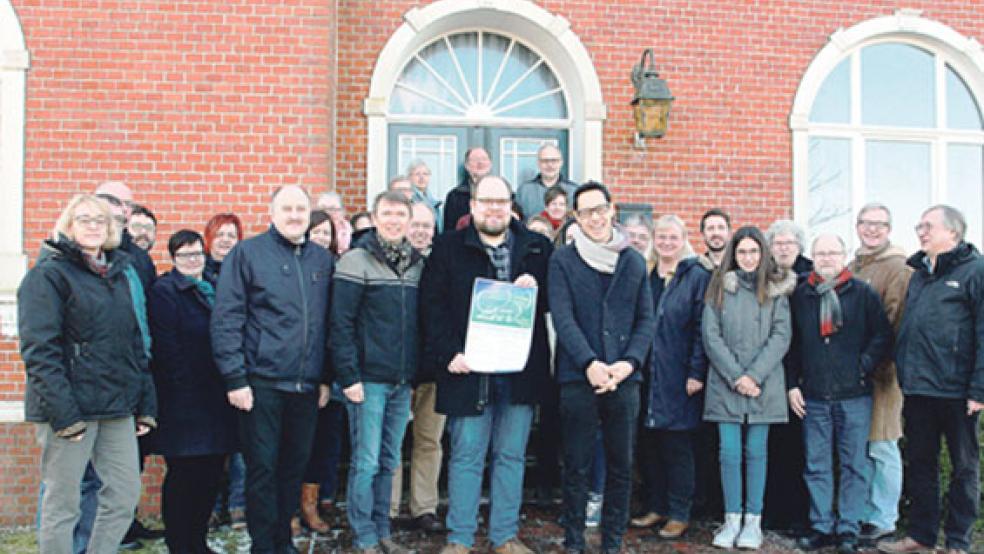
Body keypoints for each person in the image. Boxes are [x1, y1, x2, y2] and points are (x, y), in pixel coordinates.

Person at [421, 175, 552, 554]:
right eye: (486, 201)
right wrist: (449, 355)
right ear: (473, 205)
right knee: (466, 456)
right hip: (468, 369)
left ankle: (505, 536)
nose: (494, 208)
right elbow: (432, 309)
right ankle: (460, 538)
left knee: (511, 456)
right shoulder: (447, 249)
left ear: (511, 205)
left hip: (519, 373)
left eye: (501, 201)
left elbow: (552, 307)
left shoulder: (537, 248)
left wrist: (535, 291)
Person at [19, 194, 157, 554]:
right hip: (70, 410)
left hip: (116, 407)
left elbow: (132, 343)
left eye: (101, 220)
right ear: (68, 224)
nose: (94, 226)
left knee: (124, 496)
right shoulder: (47, 275)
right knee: (63, 504)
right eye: (84, 219)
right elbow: (40, 351)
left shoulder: (118, 274)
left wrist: (145, 402)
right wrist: (64, 415)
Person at [211, 185, 335, 553]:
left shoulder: (321, 260)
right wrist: (235, 377)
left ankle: (284, 541)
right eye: (287, 208)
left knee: (292, 469)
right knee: (262, 469)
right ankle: (264, 546)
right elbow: (227, 318)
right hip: (260, 382)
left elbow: (328, 323)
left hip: (306, 385)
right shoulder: (247, 254)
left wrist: (326, 376)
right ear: (271, 211)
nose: (295, 215)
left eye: (301, 208)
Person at [548, 181, 655, 554]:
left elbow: (646, 320)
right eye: (586, 212)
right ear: (576, 217)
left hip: (624, 379)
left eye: (600, 209)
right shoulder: (563, 259)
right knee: (576, 464)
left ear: (612, 210)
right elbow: (563, 317)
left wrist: (627, 365)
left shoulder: (634, 261)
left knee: (622, 465)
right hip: (579, 377)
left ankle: (612, 542)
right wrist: (589, 362)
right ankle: (574, 541)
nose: (595, 218)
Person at [878, 205, 984, 554]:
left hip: (958, 391)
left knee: (963, 469)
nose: (920, 232)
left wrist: (978, 389)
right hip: (920, 387)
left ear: (952, 232)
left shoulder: (975, 271)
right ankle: (921, 536)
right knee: (921, 464)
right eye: (919, 225)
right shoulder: (920, 272)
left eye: (928, 226)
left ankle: (958, 541)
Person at [786, 233, 893, 554]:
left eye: (833, 253)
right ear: (813, 257)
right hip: (814, 395)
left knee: (854, 465)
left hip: (854, 395)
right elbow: (790, 345)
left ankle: (848, 528)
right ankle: (821, 526)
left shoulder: (862, 293)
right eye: (821, 253)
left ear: (843, 256)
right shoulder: (801, 295)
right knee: (816, 464)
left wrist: (862, 365)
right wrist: (792, 384)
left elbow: (882, 335)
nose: (827, 259)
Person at [331, 191, 424, 554]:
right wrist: (349, 377)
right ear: (374, 216)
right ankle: (364, 534)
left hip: (401, 380)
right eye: (387, 213)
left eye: (401, 214)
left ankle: (383, 529)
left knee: (390, 459)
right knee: (366, 461)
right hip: (367, 380)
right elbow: (341, 324)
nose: (394, 220)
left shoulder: (418, 263)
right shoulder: (355, 260)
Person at [701, 226, 794, 550]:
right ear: (733, 255)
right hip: (725, 385)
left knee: (756, 453)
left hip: (763, 386)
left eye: (754, 252)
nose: (748, 258)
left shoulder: (775, 290)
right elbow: (710, 335)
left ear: (763, 254)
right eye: (742, 252)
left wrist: (753, 376)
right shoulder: (719, 287)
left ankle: (753, 522)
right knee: (728, 453)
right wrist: (735, 376)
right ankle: (731, 519)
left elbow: (781, 336)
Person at [148, 229, 238, 554]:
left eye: (198, 253)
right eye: (185, 255)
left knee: (210, 475)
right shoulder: (165, 291)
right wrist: (184, 389)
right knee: (184, 477)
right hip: (182, 402)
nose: (193, 260)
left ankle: (198, 541)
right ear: (173, 258)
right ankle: (179, 544)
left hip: (217, 400)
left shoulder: (213, 287)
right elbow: (167, 348)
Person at [633, 215, 711, 539]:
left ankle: (680, 512)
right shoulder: (646, 273)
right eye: (661, 237)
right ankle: (656, 505)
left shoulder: (696, 276)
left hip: (678, 373)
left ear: (683, 239)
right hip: (646, 371)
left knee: (676, 444)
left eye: (672, 237)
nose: (666, 243)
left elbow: (700, 327)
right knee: (649, 442)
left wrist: (696, 371)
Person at [847, 204, 912, 545]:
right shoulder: (852, 266)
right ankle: (862, 513)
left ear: (889, 229)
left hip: (882, 375)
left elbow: (894, 321)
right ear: (856, 226)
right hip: (852, 376)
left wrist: (876, 365)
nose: (871, 230)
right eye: (865, 223)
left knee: (883, 446)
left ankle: (883, 518)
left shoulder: (898, 268)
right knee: (861, 448)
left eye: (879, 224)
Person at [389, 200, 444, 532]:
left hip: (434, 369)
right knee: (392, 440)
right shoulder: (393, 262)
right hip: (398, 369)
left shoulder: (441, 262)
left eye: (428, 226)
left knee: (429, 440)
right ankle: (390, 506)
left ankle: (424, 507)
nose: (421, 231)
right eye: (417, 224)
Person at [762, 218, 812, 536]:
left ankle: (799, 515)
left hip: (801, 375)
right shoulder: (763, 278)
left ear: (799, 247)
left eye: (788, 243)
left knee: (800, 448)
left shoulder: (809, 279)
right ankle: (772, 512)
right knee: (773, 445)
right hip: (769, 373)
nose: (782, 249)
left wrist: (796, 379)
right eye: (777, 244)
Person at [294, 210, 342, 536]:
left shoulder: (337, 270)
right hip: (297, 370)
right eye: (317, 232)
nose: (322, 238)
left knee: (322, 444)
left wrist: (328, 377)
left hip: (329, 372)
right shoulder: (297, 269)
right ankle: (289, 511)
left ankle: (310, 506)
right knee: (296, 445)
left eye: (327, 233)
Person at [201, 212, 247, 530]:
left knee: (242, 443)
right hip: (205, 373)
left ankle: (239, 505)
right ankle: (211, 506)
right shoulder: (198, 272)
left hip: (241, 369)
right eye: (220, 235)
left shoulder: (246, 273)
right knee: (211, 445)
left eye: (232, 235)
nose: (226, 241)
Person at [94, 180, 156, 291]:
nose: (124, 209)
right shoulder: (76, 250)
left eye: (128, 204)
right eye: (114, 202)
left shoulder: (141, 258)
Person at [515, 144, 577, 219]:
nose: (550, 165)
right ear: (538, 163)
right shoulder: (524, 191)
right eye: (545, 161)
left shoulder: (574, 191)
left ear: (561, 162)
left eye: (554, 161)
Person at [442, 147, 492, 232]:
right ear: (467, 165)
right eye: (475, 159)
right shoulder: (455, 196)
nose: (480, 163)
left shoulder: (504, 194)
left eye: (484, 159)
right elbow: (449, 231)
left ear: (490, 164)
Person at [407, 159, 442, 232]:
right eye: (417, 174)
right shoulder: (408, 199)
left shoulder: (433, 201)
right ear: (409, 177)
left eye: (425, 174)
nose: (421, 177)